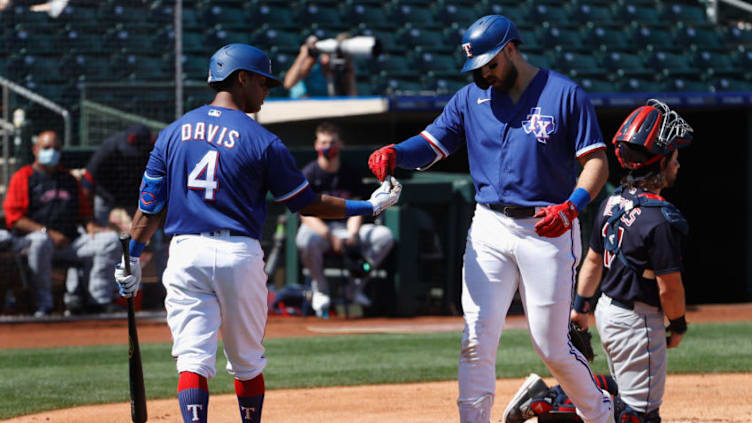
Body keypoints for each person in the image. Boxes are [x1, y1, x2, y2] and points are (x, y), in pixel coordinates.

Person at [113, 43, 401, 423]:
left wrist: (132, 255)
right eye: (263, 81)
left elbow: (149, 209)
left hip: (185, 253)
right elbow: (306, 203)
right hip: (238, 255)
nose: (267, 89)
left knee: (193, 359)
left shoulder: (171, 133)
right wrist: (369, 206)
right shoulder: (263, 140)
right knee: (246, 362)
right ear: (241, 78)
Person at [368, 15, 613, 423]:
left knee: (551, 346)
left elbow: (597, 163)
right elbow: (432, 144)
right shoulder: (470, 99)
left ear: (510, 49)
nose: (484, 73)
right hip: (489, 227)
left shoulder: (564, 93)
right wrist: (397, 152)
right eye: (477, 68)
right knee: (477, 337)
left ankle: (601, 414)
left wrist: (572, 205)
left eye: (490, 64)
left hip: (548, 226)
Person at [570, 99, 692, 423]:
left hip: (607, 312)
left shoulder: (612, 202)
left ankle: (558, 394)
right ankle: (553, 398)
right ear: (661, 161)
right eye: (675, 157)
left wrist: (580, 307)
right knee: (641, 415)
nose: (678, 164)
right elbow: (669, 289)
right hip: (638, 321)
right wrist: (678, 323)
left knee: (622, 397)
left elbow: (593, 261)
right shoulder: (661, 218)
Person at [3, 130, 121, 316]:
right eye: (46, 147)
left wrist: (92, 227)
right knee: (41, 241)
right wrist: (47, 232)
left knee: (110, 240)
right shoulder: (23, 177)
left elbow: (84, 215)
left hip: (68, 242)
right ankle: (44, 305)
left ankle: (98, 300)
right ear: (35, 150)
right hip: (32, 242)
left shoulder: (68, 179)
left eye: (56, 148)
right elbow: (14, 218)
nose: (52, 152)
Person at [296, 121, 395, 317]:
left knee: (383, 236)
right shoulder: (309, 173)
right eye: (324, 142)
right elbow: (304, 214)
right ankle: (320, 290)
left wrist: (353, 233)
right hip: (320, 230)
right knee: (304, 239)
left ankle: (354, 287)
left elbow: (356, 207)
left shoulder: (349, 173)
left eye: (332, 142)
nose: (328, 147)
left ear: (340, 144)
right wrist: (329, 236)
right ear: (316, 145)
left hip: (346, 227)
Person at [81, 124, 153, 227]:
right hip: (106, 192)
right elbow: (88, 180)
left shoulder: (153, 151)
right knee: (97, 230)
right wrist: (89, 218)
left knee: (146, 228)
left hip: (132, 195)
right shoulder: (110, 147)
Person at [283, 34, 357, 98]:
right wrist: (304, 54)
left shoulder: (337, 70)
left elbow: (351, 98)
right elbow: (288, 84)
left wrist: (348, 69)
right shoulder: (309, 66)